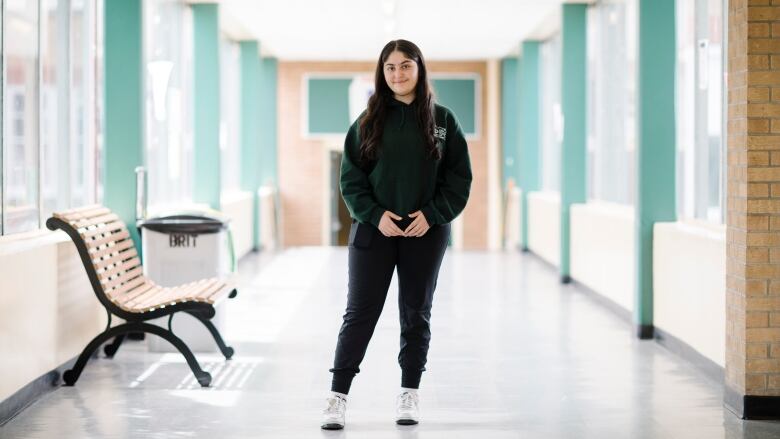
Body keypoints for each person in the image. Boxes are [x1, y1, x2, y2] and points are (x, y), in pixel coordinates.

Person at [320, 39, 472, 430]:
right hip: (374, 231)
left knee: (415, 312)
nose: (398, 74)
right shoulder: (367, 122)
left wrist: (433, 214)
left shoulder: (442, 121)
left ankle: (410, 393)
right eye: (390, 67)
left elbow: (458, 180)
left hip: (426, 231)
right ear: (381, 72)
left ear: (419, 69)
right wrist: (374, 214)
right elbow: (351, 180)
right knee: (359, 314)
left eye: (406, 65)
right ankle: (337, 397)